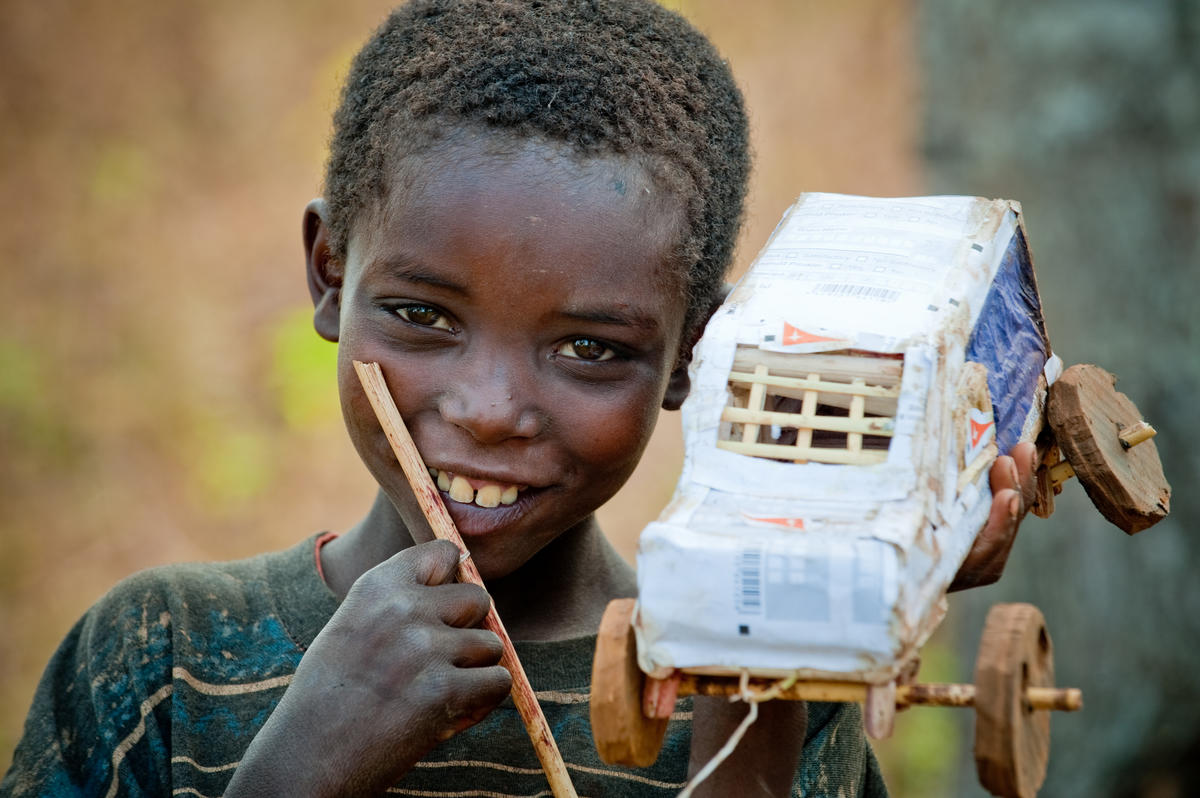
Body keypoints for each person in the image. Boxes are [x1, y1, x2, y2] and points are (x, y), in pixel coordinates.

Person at [1, 1, 1037, 796]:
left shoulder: (762, 695)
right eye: (423, 316)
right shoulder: (160, 659)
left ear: (695, 357)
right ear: (329, 274)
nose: (491, 408)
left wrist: (766, 679)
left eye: (590, 347)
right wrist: (295, 772)